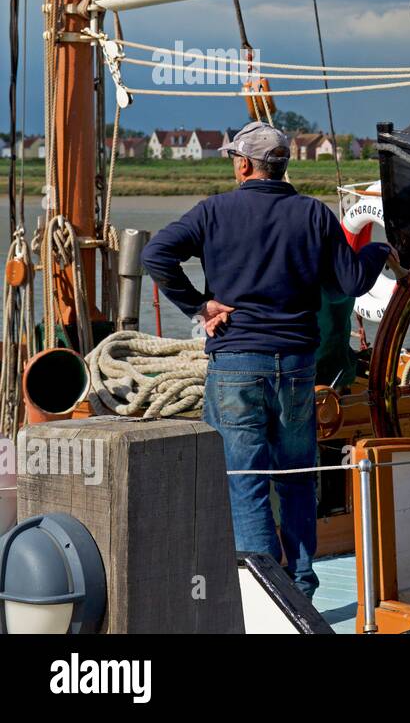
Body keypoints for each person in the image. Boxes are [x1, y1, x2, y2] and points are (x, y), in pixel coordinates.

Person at [141, 122, 389, 597]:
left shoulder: (213, 211)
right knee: (296, 476)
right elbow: (352, 282)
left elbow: (157, 254)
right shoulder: (312, 215)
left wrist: (199, 305)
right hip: (296, 367)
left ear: (242, 165)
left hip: (235, 365)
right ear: (282, 166)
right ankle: (300, 585)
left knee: (247, 481)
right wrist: (378, 248)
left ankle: (265, 593)